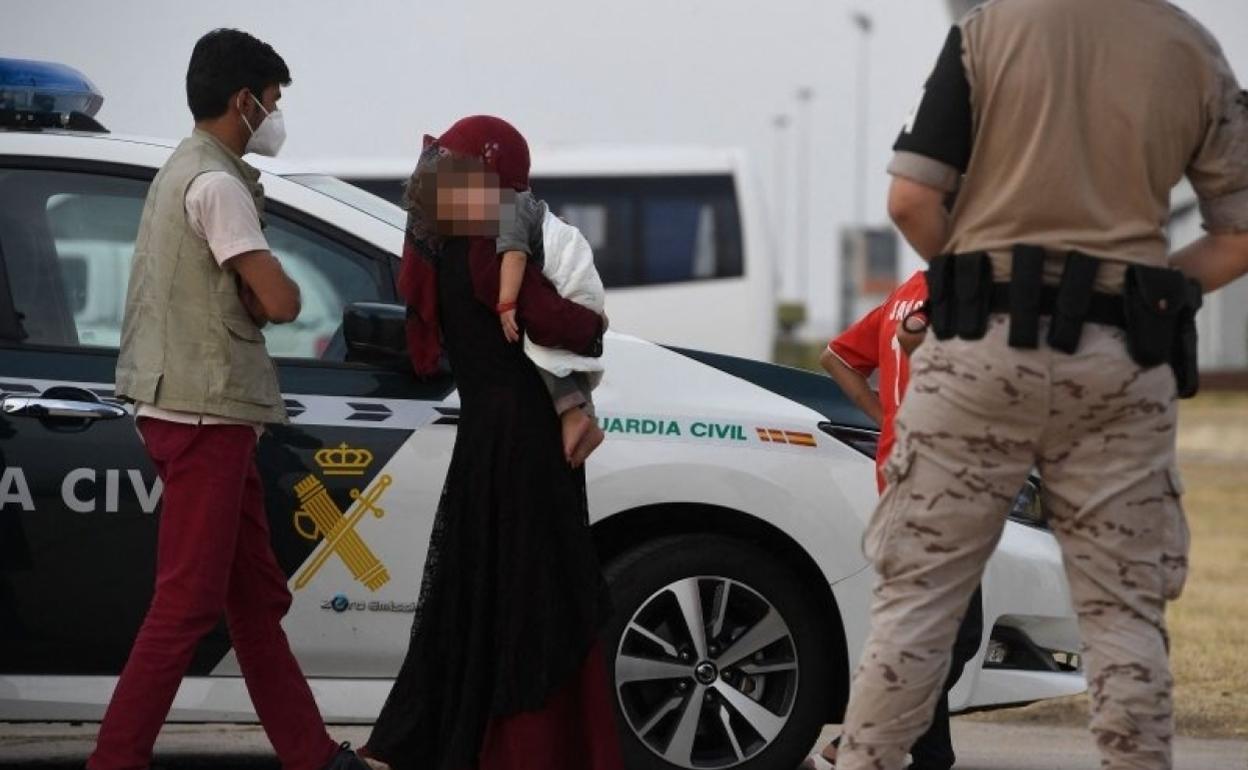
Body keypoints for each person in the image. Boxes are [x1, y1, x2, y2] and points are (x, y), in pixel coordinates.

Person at [836, 1, 1248, 769]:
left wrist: (973, 278)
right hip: (1121, 364)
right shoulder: (1191, 48)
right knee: (1123, 613)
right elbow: (1238, 230)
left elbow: (911, 199)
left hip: (979, 355)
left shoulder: (986, 32)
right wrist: (1151, 292)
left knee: (917, 605)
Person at [96, 29, 367, 770]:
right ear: (244, 101)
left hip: (204, 410)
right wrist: (259, 291)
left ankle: (313, 755)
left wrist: (247, 292)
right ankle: (114, 759)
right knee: (185, 605)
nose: (276, 117)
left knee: (254, 604)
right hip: (204, 413)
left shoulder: (184, 169)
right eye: (273, 102)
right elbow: (281, 300)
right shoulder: (216, 184)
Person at [359, 116, 623, 770]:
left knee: (477, 594)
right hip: (526, 446)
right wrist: (594, 322)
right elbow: (560, 323)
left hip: (484, 439)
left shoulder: (441, 242)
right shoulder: (489, 242)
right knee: (538, 597)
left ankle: (434, 741)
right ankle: (529, 752)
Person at [804, 272, 981, 770]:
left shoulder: (908, 291)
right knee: (957, 631)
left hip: (904, 475)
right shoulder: (961, 291)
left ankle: (931, 752)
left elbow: (836, 357)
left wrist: (882, 415)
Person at [496, 190, 607, 466]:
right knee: (571, 357)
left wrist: (506, 303)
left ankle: (572, 414)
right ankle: (587, 422)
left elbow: (515, 256)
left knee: (541, 343)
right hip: (584, 284)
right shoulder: (529, 206)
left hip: (572, 283)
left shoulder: (508, 205)